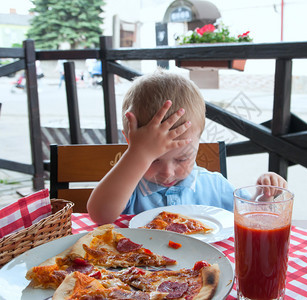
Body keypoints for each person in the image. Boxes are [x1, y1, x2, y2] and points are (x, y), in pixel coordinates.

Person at [87, 69, 287, 225]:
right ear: (131, 144)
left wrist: (263, 195)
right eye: (153, 159)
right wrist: (137, 155)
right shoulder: (129, 190)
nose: (167, 172)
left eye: (182, 159)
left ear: (198, 141)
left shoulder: (214, 186)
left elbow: (252, 219)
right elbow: (100, 214)